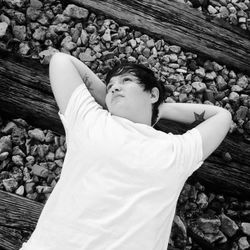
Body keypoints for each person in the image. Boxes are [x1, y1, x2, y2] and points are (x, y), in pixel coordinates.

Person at [20, 52, 232, 250]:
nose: (113, 87)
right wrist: (111, 100)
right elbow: (60, 60)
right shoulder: (90, 120)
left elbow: (222, 117)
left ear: (153, 94)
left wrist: (161, 109)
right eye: (110, 85)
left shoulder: (177, 151)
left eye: (126, 81)